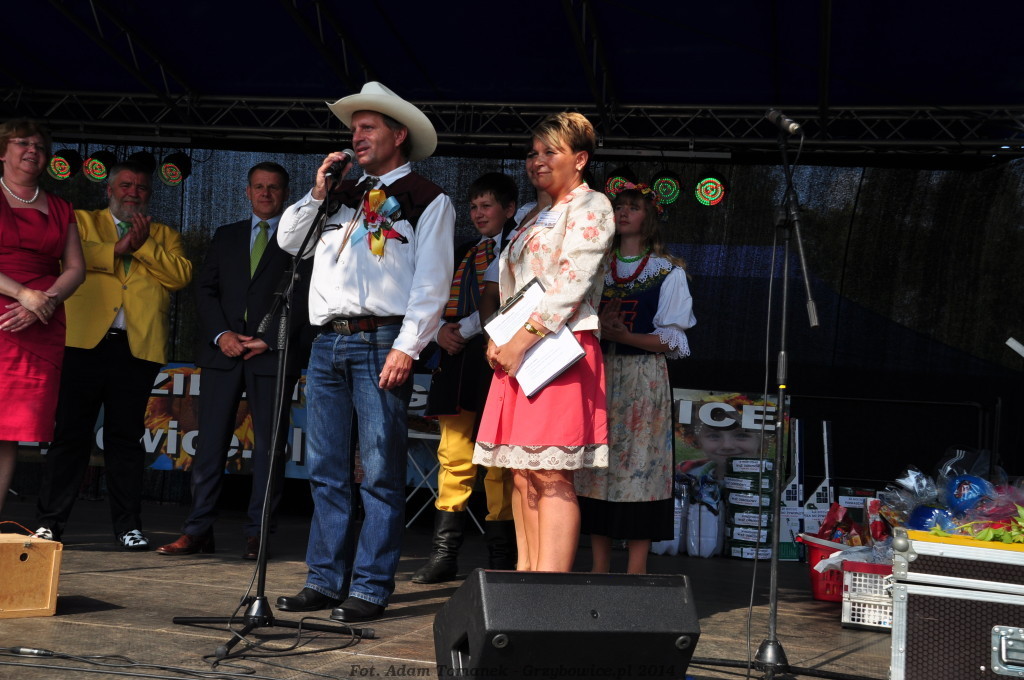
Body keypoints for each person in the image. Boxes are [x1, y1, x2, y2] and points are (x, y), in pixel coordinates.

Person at [275, 82, 455, 622]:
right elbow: (289, 242)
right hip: (327, 340)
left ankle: (371, 587)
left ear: (398, 136)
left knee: (379, 470)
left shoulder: (428, 198)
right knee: (326, 468)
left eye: (368, 127)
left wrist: (408, 347)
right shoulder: (339, 193)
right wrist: (317, 191)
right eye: (354, 128)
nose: (357, 136)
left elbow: (433, 283)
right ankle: (324, 580)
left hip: (382, 338)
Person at [472, 112, 614, 573]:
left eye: (550, 152)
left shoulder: (591, 205)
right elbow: (515, 287)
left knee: (551, 474)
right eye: (533, 153)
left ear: (580, 159)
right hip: (520, 351)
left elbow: (571, 283)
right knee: (522, 472)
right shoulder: (535, 215)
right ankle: (526, 577)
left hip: (557, 350)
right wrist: (499, 336)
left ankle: (549, 588)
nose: (537, 160)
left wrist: (521, 339)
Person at [34, 160, 193, 549]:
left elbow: (180, 276)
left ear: (149, 194)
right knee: (70, 435)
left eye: (141, 187)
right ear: (109, 190)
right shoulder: (82, 222)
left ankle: (128, 527)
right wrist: (116, 249)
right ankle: (49, 523)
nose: (133, 192)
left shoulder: (164, 234)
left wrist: (143, 245)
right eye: (125, 185)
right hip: (83, 343)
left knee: (126, 439)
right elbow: (64, 259)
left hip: (136, 348)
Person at [156, 162, 309, 560]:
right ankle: (197, 530)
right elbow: (205, 291)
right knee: (209, 445)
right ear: (247, 192)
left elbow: (306, 298)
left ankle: (259, 533)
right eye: (258, 186)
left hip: (271, 356)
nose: (265, 193)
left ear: (285, 194)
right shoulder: (227, 235)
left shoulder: (300, 240)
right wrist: (221, 335)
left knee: (269, 450)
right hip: (222, 354)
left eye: (273, 187)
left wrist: (268, 340)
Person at [574, 182, 696, 574]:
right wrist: (599, 327)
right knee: (597, 468)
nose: (623, 213)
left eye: (633, 207)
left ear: (650, 217)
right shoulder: (595, 266)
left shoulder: (668, 272)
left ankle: (636, 569)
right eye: (619, 207)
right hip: (600, 374)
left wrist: (624, 336)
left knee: (642, 467)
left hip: (643, 378)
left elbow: (672, 339)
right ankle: (598, 567)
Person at [413, 173, 519, 584]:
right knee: (453, 456)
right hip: (456, 362)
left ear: (509, 210)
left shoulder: (519, 248)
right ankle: (444, 555)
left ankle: (501, 558)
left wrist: (469, 329)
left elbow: (515, 302)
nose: (478, 213)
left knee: (497, 462)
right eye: (473, 207)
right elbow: (432, 296)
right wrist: (440, 330)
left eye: (487, 206)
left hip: (500, 361)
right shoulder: (462, 252)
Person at [0, 119, 85, 515]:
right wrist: (23, 294)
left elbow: (75, 269)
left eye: (39, 145)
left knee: (8, 432)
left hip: (40, 323)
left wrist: (44, 302)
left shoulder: (61, 206)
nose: (32, 150)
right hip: (6, 313)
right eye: (22, 143)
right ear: (3, 152)